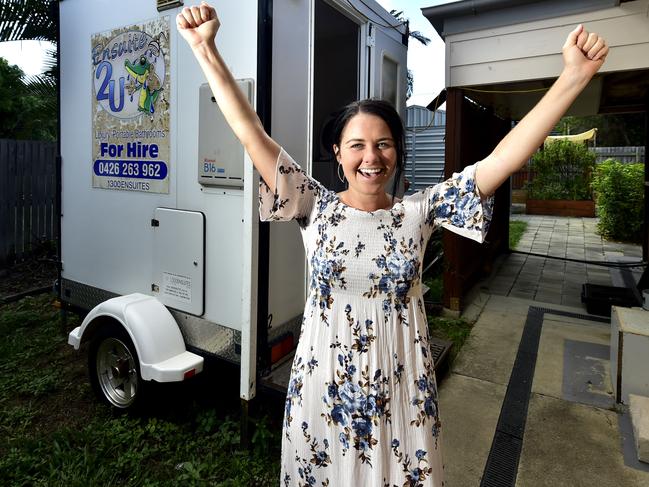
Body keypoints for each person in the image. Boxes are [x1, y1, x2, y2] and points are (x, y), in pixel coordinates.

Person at [177, 3, 608, 485]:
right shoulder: (311, 204)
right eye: (357, 145)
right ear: (338, 155)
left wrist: (573, 76)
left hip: (403, 388)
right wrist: (205, 48)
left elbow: (503, 158)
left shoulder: (417, 214)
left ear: (398, 153)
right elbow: (249, 131)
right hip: (325, 390)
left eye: (383, 144)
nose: (371, 157)